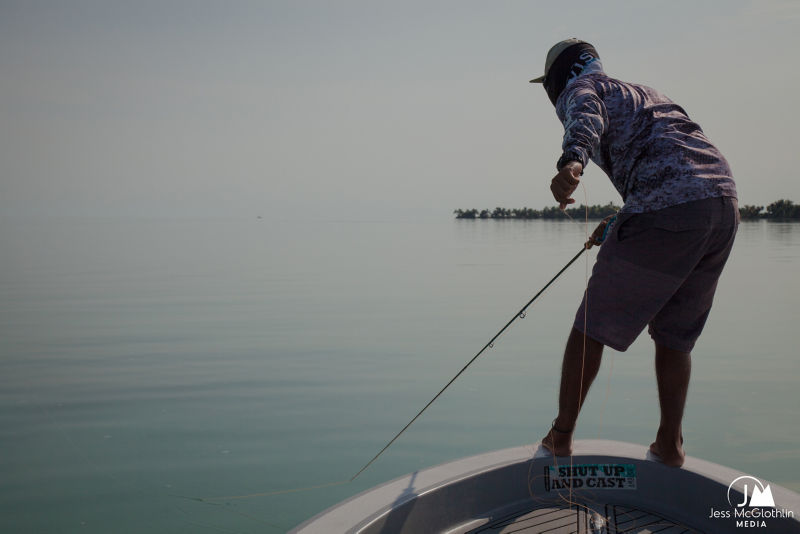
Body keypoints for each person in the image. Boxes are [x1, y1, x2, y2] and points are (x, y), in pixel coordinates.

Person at [530, 39, 739, 467]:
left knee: (590, 326)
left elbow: (585, 118)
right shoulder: (645, 93)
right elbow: (675, 160)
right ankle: (669, 445)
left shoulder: (580, 89)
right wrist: (620, 221)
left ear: (556, 80)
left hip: (667, 208)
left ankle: (560, 437)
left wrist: (571, 162)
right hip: (721, 206)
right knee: (676, 335)